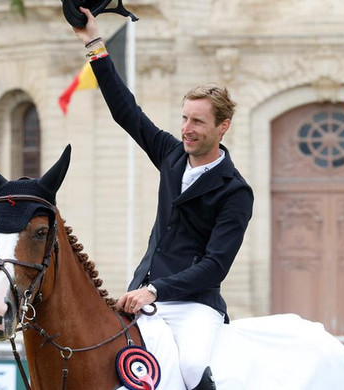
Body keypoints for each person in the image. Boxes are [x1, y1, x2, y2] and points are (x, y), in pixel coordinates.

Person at [72, 8, 254, 390]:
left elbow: (215, 266)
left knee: (189, 368)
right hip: (143, 296)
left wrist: (155, 290)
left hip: (193, 306)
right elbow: (126, 111)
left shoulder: (235, 191)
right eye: (184, 118)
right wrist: (92, 41)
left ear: (223, 126)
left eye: (198, 122)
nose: (186, 129)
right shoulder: (171, 154)